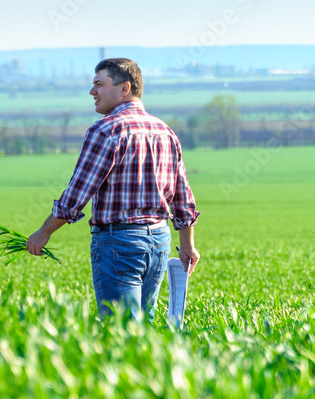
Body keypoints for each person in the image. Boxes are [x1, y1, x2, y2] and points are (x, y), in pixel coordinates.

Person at [26, 58, 201, 323]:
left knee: (119, 330)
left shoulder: (106, 130)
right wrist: (187, 245)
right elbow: (183, 198)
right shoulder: (165, 131)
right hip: (159, 241)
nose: (92, 92)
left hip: (119, 241)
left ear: (124, 88)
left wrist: (43, 232)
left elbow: (76, 196)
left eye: (99, 84)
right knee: (143, 326)